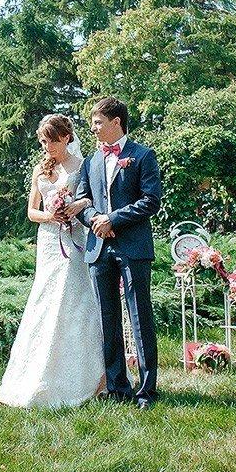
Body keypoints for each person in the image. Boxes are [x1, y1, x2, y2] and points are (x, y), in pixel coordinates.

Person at [0, 114, 105, 408]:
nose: (48, 147)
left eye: (53, 141)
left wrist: (76, 206)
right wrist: (51, 215)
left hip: (74, 239)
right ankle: (37, 373)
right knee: (44, 299)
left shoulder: (83, 165)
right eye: (44, 142)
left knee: (74, 300)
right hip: (48, 242)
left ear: (67, 137)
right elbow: (31, 212)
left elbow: (93, 199)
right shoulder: (40, 169)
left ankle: (89, 376)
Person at [73, 97, 163, 409]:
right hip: (99, 249)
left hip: (133, 247)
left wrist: (113, 219)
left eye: (98, 122)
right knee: (107, 319)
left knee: (139, 317)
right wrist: (97, 221)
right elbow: (82, 201)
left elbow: (151, 200)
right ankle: (117, 387)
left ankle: (147, 390)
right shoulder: (90, 161)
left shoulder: (143, 156)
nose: (93, 128)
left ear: (116, 122)